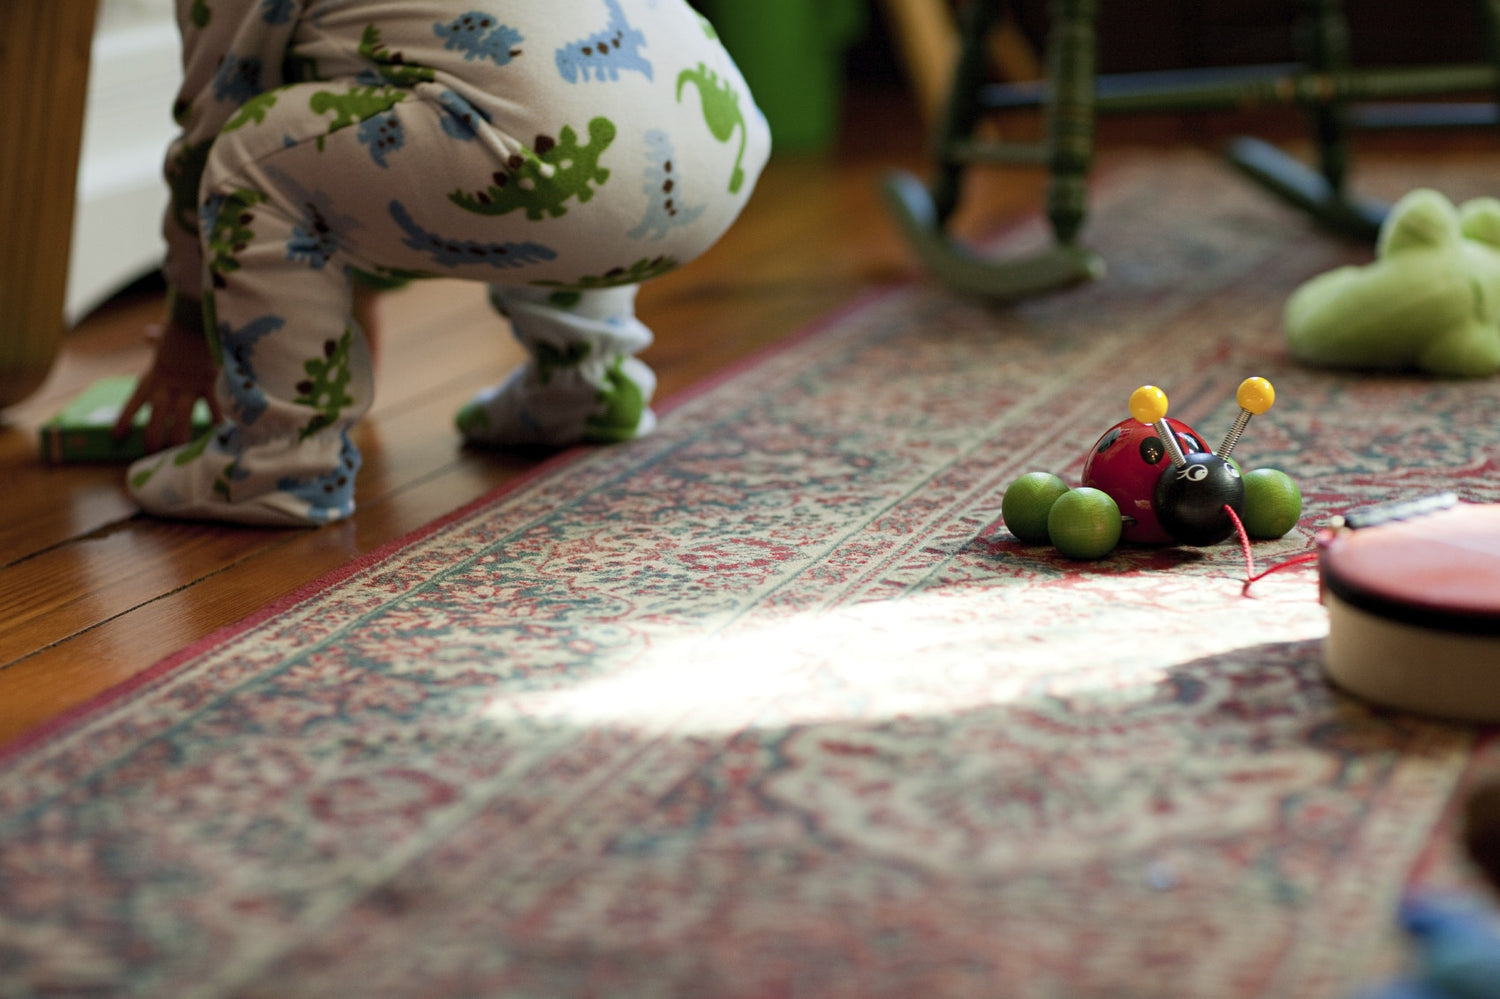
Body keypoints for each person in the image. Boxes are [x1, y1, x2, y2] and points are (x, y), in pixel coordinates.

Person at [116, 0, 770, 526]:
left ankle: (280, 462)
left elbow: (213, 121)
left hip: (541, 154)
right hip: (715, 147)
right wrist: (349, 292)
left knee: (246, 159)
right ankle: (583, 381)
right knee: (544, 105)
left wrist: (185, 331)